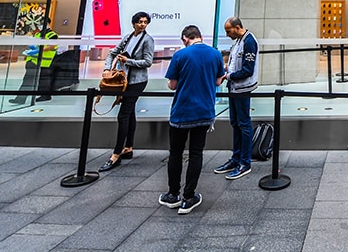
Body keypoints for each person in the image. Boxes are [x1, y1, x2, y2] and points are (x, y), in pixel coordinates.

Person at [158, 25, 225, 214]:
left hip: (181, 112)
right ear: (200, 37)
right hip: (204, 111)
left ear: (185, 38)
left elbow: (172, 85)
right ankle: (189, 197)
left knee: (175, 153)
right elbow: (219, 81)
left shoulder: (181, 55)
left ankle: (172, 195)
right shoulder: (215, 54)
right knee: (196, 153)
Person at [99, 11, 154, 172]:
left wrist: (128, 61)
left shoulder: (147, 40)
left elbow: (148, 62)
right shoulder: (128, 37)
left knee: (123, 114)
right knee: (129, 113)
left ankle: (116, 154)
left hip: (137, 81)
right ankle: (128, 147)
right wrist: (107, 69)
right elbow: (112, 52)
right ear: (134, 23)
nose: (142, 24)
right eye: (140, 21)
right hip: (124, 80)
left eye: (145, 22)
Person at [214, 16, 259, 180]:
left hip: (242, 88)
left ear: (238, 27)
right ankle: (236, 158)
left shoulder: (249, 41)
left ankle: (244, 163)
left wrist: (229, 76)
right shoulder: (239, 41)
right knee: (236, 123)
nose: (227, 34)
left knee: (244, 124)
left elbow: (248, 69)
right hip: (235, 88)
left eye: (228, 30)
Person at [8, 17, 58, 105]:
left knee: (43, 80)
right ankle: (21, 98)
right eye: (39, 24)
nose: (40, 26)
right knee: (28, 79)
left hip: (44, 62)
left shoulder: (52, 35)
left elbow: (52, 46)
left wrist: (39, 50)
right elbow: (33, 45)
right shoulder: (37, 34)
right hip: (33, 60)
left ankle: (45, 95)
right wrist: (30, 49)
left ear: (48, 23)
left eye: (42, 24)